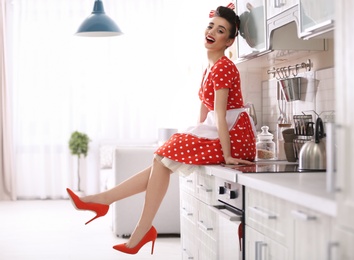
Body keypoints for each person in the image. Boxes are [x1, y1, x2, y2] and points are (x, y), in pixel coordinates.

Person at [66, 3, 256, 255]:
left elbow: (220, 113)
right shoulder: (209, 67)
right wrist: (195, 134)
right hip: (219, 130)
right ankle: (111, 206)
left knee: (165, 153)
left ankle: (113, 209)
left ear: (230, 41)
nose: (212, 31)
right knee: (162, 158)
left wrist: (227, 153)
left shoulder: (223, 67)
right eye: (211, 26)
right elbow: (204, 110)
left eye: (221, 30)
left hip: (234, 135)